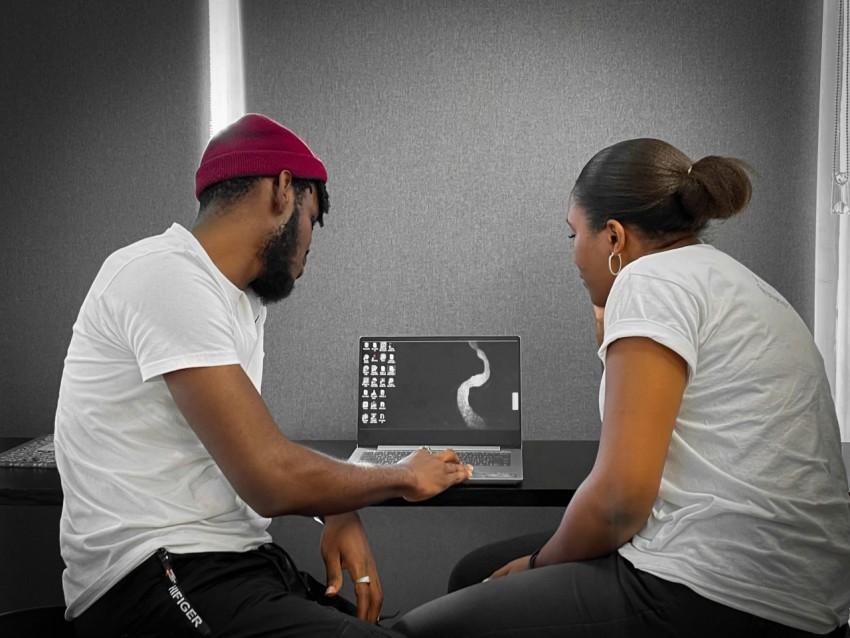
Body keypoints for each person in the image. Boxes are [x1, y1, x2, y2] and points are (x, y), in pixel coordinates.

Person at [392, 138, 850, 637]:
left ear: (613, 237)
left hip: (725, 589)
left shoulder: (650, 282)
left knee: (419, 631)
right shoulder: (736, 282)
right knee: (474, 572)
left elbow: (620, 498)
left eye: (572, 235)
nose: (572, 257)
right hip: (803, 587)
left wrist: (538, 566)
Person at [54, 113, 473, 638]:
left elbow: (243, 448)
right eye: (313, 218)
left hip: (231, 560)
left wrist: (336, 510)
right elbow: (267, 475)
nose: (311, 245)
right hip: (150, 575)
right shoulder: (164, 275)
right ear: (282, 190)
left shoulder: (241, 300)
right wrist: (402, 475)